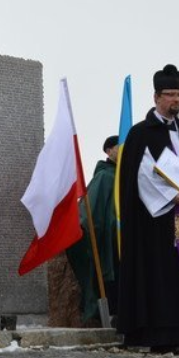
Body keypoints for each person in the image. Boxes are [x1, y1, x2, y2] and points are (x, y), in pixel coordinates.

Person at [115, 65, 179, 354]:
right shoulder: (141, 133)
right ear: (156, 97)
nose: (176, 100)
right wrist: (171, 196)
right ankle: (163, 335)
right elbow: (141, 176)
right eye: (170, 95)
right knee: (163, 273)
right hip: (156, 221)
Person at [65, 135, 119, 325]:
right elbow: (88, 212)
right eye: (118, 147)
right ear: (109, 151)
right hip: (108, 239)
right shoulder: (104, 177)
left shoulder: (126, 176)